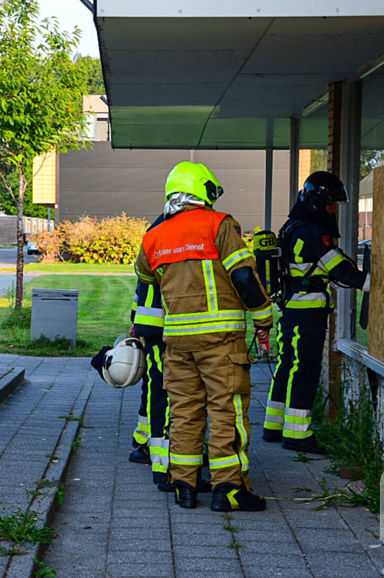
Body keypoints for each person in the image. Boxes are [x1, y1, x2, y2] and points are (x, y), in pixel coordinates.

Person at [134, 162, 274, 511]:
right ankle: (230, 489)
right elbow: (244, 277)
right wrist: (263, 318)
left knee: (184, 411)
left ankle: (184, 484)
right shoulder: (219, 225)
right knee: (227, 410)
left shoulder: (153, 236)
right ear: (205, 191)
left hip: (178, 343)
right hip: (220, 340)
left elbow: (147, 278)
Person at [263, 171, 369, 454]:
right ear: (316, 203)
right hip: (307, 313)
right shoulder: (312, 232)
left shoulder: (292, 226)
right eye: (330, 204)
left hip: (292, 309)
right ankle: (297, 435)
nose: (334, 210)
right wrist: (375, 284)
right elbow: (340, 270)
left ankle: (274, 426)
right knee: (305, 369)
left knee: (288, 364)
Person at [128, 218, 170, 486]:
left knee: (154, 386)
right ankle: (160, 456)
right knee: (162, 391)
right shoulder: (173, 237)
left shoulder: (153, 236)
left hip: (150, 327)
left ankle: (143, 442)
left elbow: (140, 288)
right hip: (165, 329)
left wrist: (135, 321)